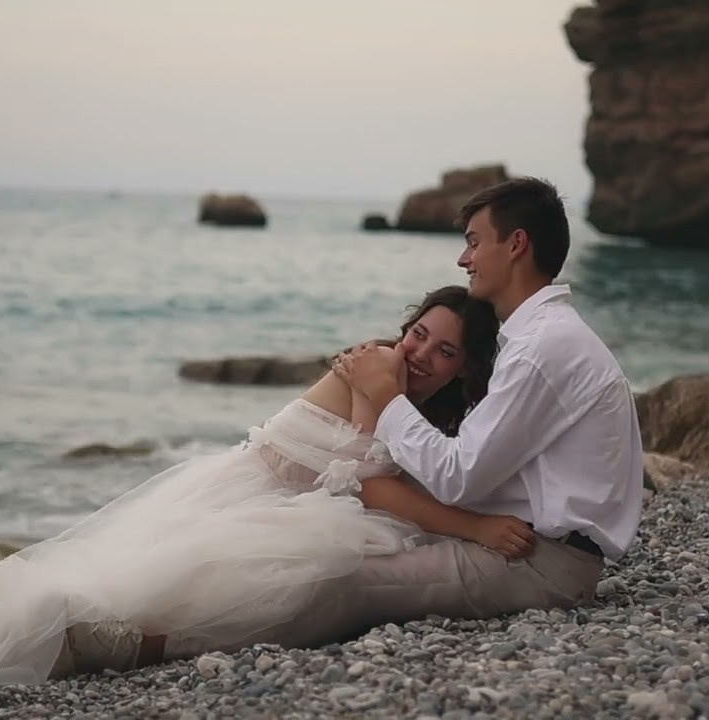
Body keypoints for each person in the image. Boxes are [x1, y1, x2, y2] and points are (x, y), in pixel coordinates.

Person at [0, 285, 521, 716]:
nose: (421, 353)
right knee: (229, 577)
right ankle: (73, 638)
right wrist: (475, 524)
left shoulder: (424, 400)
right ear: (406, 326)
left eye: (444, 352)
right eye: (421, 333)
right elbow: (373, 477)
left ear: (463, 369)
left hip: (275, 499)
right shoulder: (377, 371)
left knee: (279, 576)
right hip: (248, 494)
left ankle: (108, 641)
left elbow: (389, 476)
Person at [65, 178, 644, 671]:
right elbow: (466, 469)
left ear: (516, 245)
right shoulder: (542, 339)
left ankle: (157, 646)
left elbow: (459, 475)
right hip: (538, 544)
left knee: (340, 576)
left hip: (541, 564)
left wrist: (384, 396)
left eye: (473, 243)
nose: (464, 259)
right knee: (339, 548)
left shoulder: (542, 347)